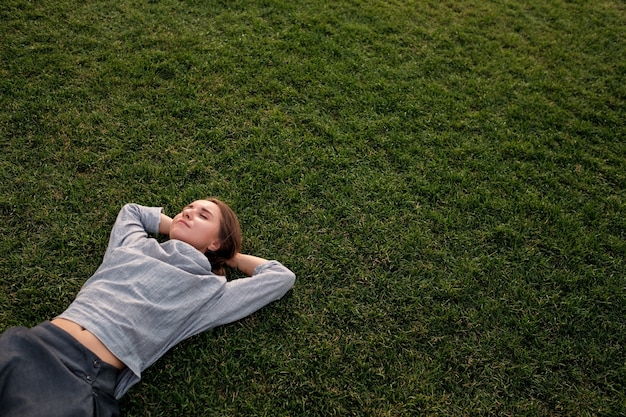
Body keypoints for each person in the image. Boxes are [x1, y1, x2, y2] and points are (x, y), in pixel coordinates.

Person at [0, 199, 296, 417]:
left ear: (216, 242)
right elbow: (132, 211)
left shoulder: (210, 291)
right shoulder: (132, 243)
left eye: (202, 215)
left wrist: (230, 257)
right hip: (33, 342)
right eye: (187, 209)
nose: (188, 213)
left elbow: (280, 278)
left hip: (80, 375)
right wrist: (177, 227)